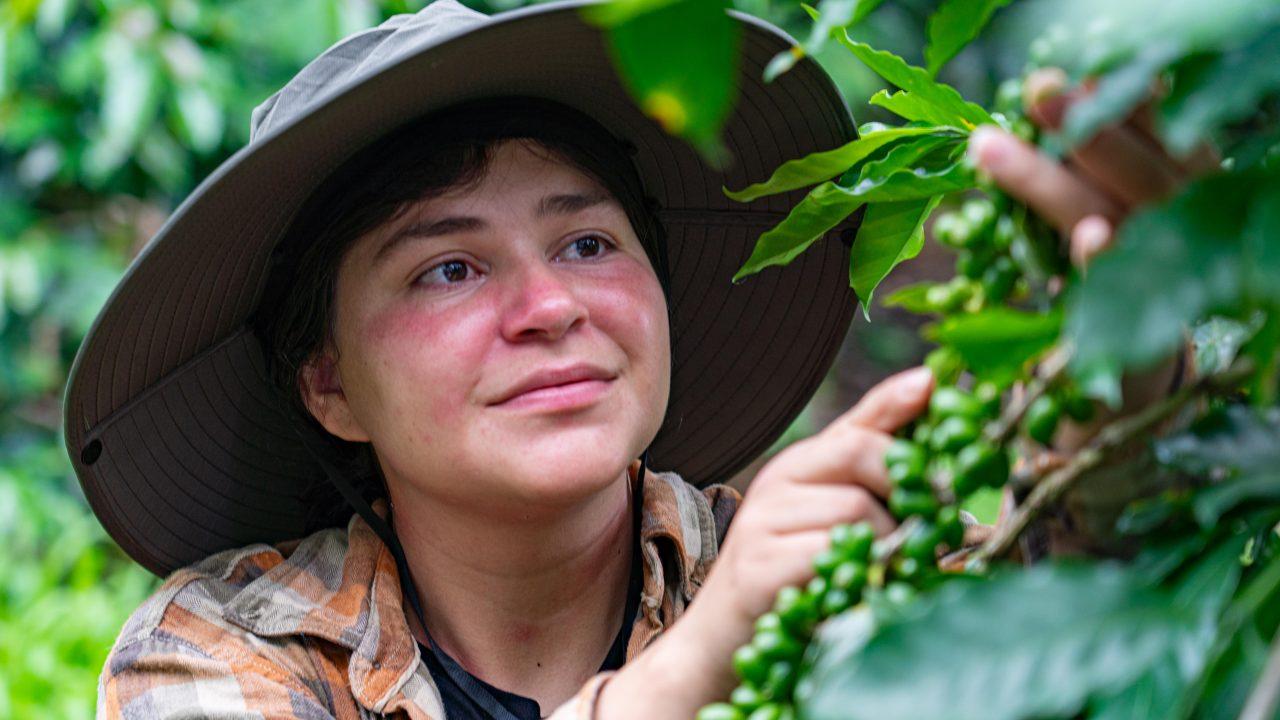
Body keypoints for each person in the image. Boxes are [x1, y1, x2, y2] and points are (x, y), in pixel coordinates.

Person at [64, 1, 1199, 718]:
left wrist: (1118, 407)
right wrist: (684, 674)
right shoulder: (219, 651)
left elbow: (1090, 635)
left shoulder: (828, 576)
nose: (550, 306)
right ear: (328, 383)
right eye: (447, 269)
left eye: (588, 242)